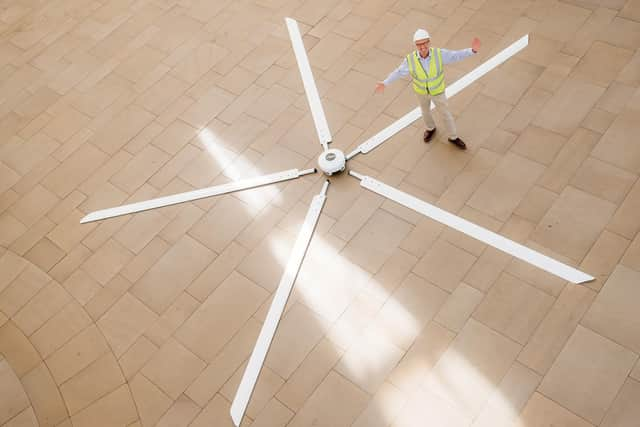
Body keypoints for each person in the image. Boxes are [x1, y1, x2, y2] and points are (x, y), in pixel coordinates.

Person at [375, 29, 481, 149]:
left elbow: (455, 56)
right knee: (425, 112)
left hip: (438, 92)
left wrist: (472, 51)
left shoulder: (439, 54)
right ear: (416, 45)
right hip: (421, 93)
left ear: (429, 42)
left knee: (446, 115)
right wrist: (385, 83)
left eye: (424, 43)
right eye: (419, 44)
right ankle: (430, 128)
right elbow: (398, 72)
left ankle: (453, 137)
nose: (422, 47)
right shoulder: (410, 60)